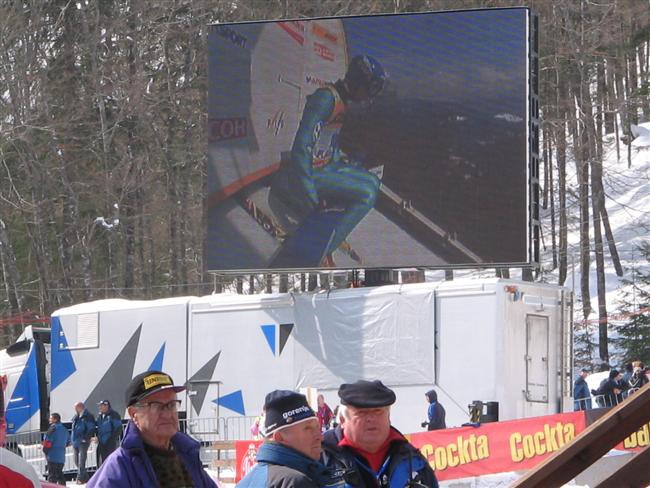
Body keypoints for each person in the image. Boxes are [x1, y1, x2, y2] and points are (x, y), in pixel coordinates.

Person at [289, 55, 387, 267]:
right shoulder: (326, 99)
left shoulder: (340, 101)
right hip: (311, 175)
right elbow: (302, 146)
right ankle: (322, 252)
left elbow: (328, 141)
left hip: (324, 167)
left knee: (372, 181)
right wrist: (309, 194)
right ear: (358, 82)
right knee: (367, 194)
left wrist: (342, 163)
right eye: (369, 89)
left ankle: (334, 232)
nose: (369, 95)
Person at [87, 370, 216, 487]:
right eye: (157, 406)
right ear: (133, 414)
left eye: (171, 405)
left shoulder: (187, 455)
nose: (167, 414)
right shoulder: (120, 467)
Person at [322, 379, 438, 487]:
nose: (371, 418)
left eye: (378, 411)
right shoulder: (321, 455)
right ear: (342, 420)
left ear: (388, 417)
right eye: (361, 412)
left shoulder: (412, 459)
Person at [237, 390, 344, 488]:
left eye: (317, 428)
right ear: (280, 437)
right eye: (308, 428)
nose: (320, 436)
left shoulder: (245, 482)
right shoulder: (293, 482)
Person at [71, 401, 96, 484]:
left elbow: (91, 428)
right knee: (76, 461)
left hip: (83, 441)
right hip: (75, 441)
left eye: (75, 407)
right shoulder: (76, 416)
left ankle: (80, 478)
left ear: (80, 407)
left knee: (82, 460)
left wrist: (86, 438)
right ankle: (86, 478)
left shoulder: (88, 416)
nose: (74, 409)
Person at [42, 412, 69, 485]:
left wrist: (45, 451)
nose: (49, 419)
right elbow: (68, 442)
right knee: (60, 475)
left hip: (52, 455)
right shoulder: (65, 429)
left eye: (51, 418)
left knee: (52, 477)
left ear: (55, 419)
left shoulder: (52, 429)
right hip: (61, 456)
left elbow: (48, 442)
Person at [95, 399, 122, 467]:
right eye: (99, 406)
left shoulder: (114, 415)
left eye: (101, 406)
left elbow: (118, 428)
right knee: (102, 460)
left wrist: (111, 440)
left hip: (110, 442)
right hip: (101, 442)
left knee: (111, 460)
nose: (100, 407)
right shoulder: (100, 416)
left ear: (106, 406)